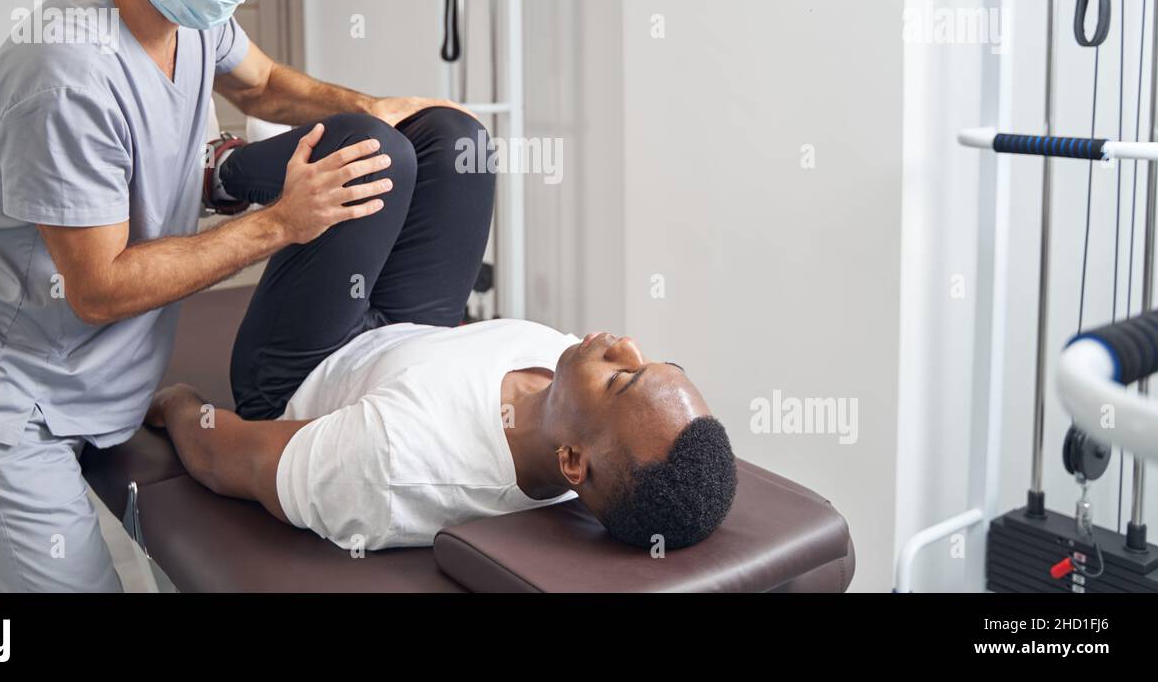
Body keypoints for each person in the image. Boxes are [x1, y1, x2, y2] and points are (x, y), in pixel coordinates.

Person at [0, 0, 461, 592]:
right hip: (11, 399)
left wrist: (370, 105)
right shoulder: (62, 74)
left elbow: (264, 84)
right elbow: (99, 287)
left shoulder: (188, 9)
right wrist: (278, 223)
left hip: (102, 381)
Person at [149, 106, 738, 551]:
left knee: (366, 152)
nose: (623, 346)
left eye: (620, 381)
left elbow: (229, 458)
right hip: (410, 335)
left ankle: (218, 173)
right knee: (460, 141)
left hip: (303, 369)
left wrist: (177, 403)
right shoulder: (577, 406)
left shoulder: (398, 464)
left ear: (573, 465)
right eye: (651, 361)